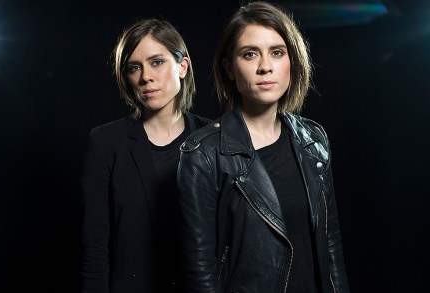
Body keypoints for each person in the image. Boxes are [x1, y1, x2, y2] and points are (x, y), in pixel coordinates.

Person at [177, 2, 350, 292]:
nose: (265, 67)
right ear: (229, 67)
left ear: (292, 61)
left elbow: (330, 243)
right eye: (249, 54)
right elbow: (200, 273)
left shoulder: (313, 139)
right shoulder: (203, 155)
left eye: (277, 52)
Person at [80, 18, 211, 293]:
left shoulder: (213, 139)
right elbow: (95, 247)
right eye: (134, 68)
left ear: (183, 65)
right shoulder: (105, 142)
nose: (146, 77)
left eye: (157, 62)